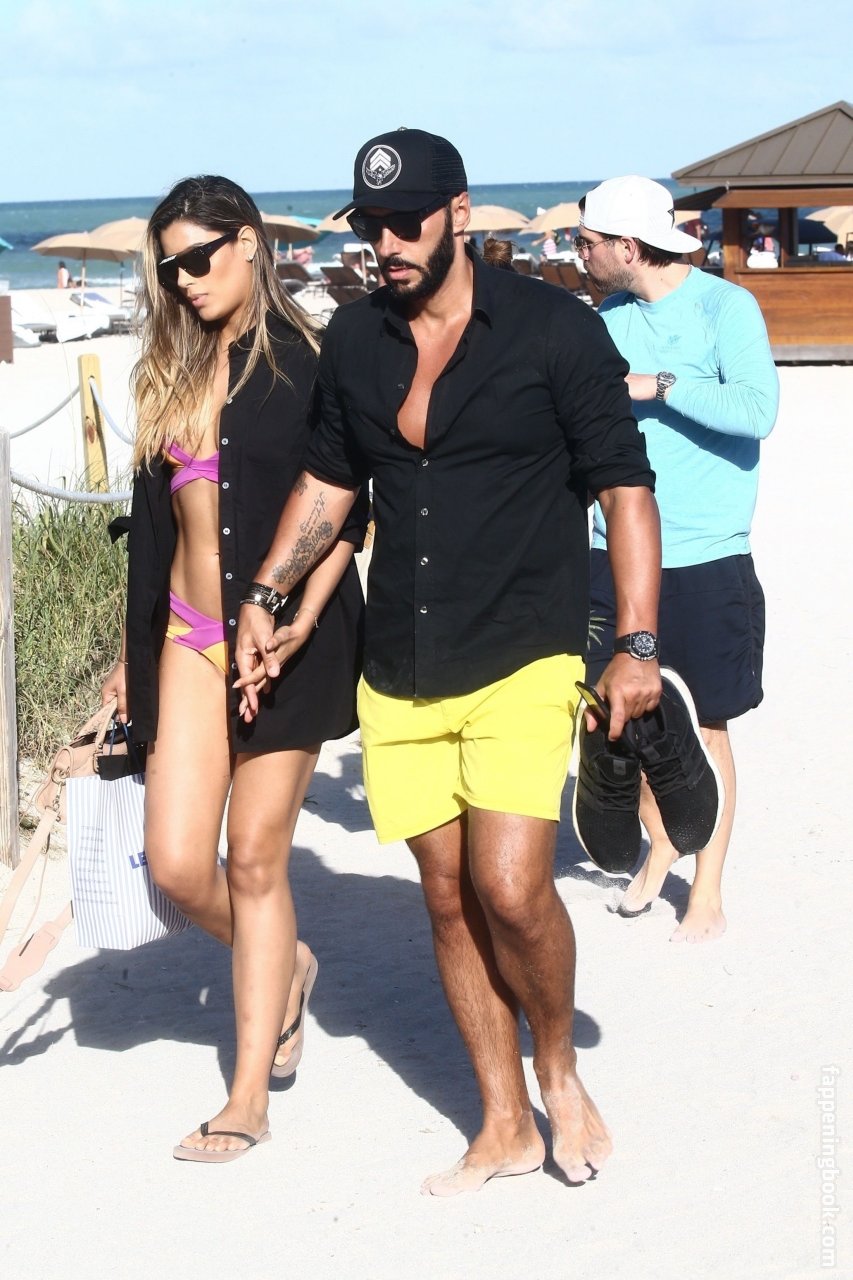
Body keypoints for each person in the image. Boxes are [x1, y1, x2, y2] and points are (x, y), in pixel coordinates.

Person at [235, 128, 662, 1195]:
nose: (386, 242)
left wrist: (637, 643)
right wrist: (268, 594)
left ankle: (555, 1066)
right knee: (443, 896)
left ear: (459, 214)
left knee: (509, 887)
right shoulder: (355, 338)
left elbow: (623, 485)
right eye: (370, 224)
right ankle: (502, 1119)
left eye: (406, 221)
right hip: (401, 661)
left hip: (523, 646)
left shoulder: (554, 329)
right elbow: (331, 481)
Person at [101, 175, 366, 1162]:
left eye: (199, 258)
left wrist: (296, 619)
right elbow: (151, 536)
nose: (184, 279)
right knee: (178, 866)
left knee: (254, 856)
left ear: (249, 243)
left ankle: (247, 1094)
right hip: (184, 637)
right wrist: (128, 658)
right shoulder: (167, 371)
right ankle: (284, 960)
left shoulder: (313, 363)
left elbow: (349, 509)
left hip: (285, 642)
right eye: (169, 266)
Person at [577, 175, 779, 942]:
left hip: (703, 554)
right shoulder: (605, 317)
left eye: (588, 243)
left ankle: (707, 891)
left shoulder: (726, 307)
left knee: (703, 728)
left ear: (627, 247)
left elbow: (757, 411)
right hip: (610, 549)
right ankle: (661, 846)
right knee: (623, 720)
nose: (579, 253)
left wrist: (657, 386)